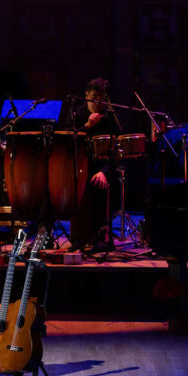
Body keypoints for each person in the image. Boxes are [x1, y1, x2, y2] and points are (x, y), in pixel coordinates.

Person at [68, 77, 120, 251]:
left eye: (102, 98)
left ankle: (101, 236)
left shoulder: (110, 118)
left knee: (103, 184)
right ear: (87, 95)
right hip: (79, 166)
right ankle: (81, 237)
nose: (98, 102)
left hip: (101, 168)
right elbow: (67, 140)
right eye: (94, 97)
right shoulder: (76, 114)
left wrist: (104, 171)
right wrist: (87, 126)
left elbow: (116, 151)